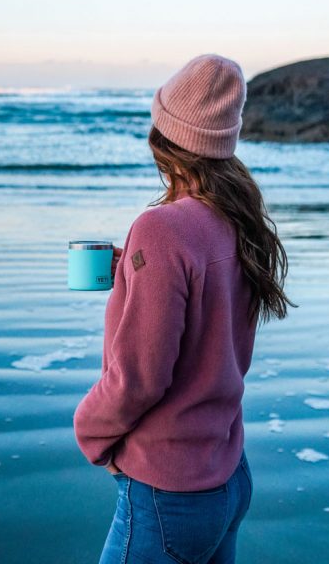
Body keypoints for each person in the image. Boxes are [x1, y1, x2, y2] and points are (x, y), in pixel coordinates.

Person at [73, 53, 296, 564]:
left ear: (164, 138)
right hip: (228, 474)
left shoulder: (161, 229)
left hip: (169, 491)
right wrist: (134, 268)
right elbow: (210, 308)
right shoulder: (239, 219)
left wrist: (91, 430)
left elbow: (140, 376)